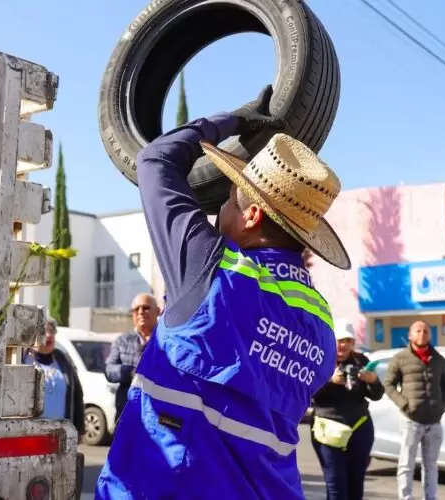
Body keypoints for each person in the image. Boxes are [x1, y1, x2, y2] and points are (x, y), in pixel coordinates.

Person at [95, 86, 347, 499]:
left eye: (227, 200)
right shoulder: (320, 319)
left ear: (251, 215)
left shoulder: (211, 267)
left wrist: (233, 120)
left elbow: (155, 158)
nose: (216, 212)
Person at [311, 322, 384, 500]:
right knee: (336, 485)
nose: (342, 345)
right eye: (339, 340)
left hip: (359, 427)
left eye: (347, 341)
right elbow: (310, 395)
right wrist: (329, 380)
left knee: (356, 483)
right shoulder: (319, 359)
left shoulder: (361, 361)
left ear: (352, 343)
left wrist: (373, 380)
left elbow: (376, 395)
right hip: (328, 429)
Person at [383, 321, 445, 500]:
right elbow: (389, 384)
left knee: (431, 465)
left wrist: (444, 405)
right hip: (411, 420)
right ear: (410, 335)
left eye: (426, 331)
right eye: (418, 331)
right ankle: (406, 497)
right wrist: (404, 404)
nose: (422, 334)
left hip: (434, 421)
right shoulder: (400, 358)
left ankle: (431, 497)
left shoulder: (438, 359)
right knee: (406, 464)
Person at [22, 318, 85, 434]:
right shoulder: (22, 359)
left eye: (52, 331)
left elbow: (77, 395)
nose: (49, 335)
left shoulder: (63, 360)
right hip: (28, 432)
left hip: (60, 432)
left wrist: (79, 429)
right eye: (44, 331)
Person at [104, 293, 159, 423]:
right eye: (136, 309)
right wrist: (129, 372)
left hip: (157, 416)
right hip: (127, 413)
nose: (140, 312)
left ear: (158, 311)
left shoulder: (166, 342)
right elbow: (109, 370)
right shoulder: (122, 341)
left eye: (145, 307)